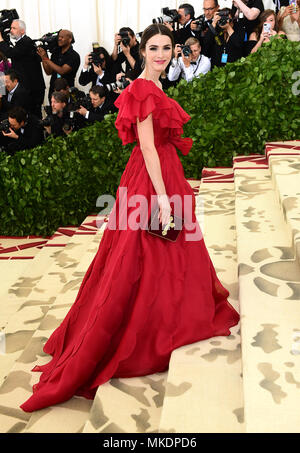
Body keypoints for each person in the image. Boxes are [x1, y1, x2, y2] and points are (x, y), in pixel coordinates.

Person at [20, 23, 240, 413]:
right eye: (153, 48)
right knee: (142, 250)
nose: (161, 54)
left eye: (166, 48)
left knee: (165, 247)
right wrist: (164, 197)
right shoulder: (141, 88)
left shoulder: (153, 85)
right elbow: (148, 148)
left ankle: (172, 310)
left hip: (159, 172)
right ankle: (154, 322)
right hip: (153, 177)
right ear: (142, 51)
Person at [0, 19, 46, 118]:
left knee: (33, 115)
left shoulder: (26, 42)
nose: (11, 30)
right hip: (28, 86)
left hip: (33, 88)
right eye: (11, 28)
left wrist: (1, 40)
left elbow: (9, 53)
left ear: (22, 31)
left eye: (14, 28)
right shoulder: (20, 43)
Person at [37, 29, 80, 103]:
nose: (59, 39)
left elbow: (62, 71)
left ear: (70, 39)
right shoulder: (56, 53)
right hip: (53, 91)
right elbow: (48, 72)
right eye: (59, 37)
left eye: (62, 37)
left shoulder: (74, 56)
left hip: (66, 92)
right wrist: (43, 57)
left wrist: (46, 59)